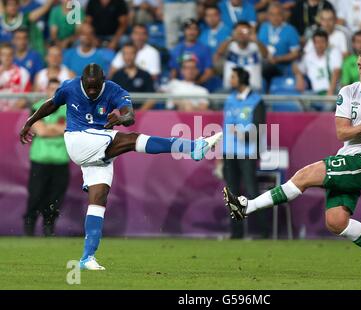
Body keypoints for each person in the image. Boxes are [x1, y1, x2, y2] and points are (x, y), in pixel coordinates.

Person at [223, 50, 361, 277]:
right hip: (348, 156)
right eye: (359, 66)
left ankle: (248, 207)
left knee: (304, 176)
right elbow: (341, 133)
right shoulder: (348, 92)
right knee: (336, 222)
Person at [19, 63, 222, 270]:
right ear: (81, 81)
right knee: (132, 140)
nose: (91, 91)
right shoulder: (69, 87)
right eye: (88, 86)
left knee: (98, 199)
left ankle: (87, 258)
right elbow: (52, 104)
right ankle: (194, 147)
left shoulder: (115, 90)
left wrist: (121, 117)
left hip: (98, 150)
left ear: (103, 80)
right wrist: (29, 121)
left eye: (95, 86)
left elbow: (129, 115)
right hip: (78, 140)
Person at [222, 67, 267, 239]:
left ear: (241, 79)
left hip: (248, 153)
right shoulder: (229, 100)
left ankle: (263, 231)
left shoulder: (256, 101)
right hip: (229, 153)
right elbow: (225, 127)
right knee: (232, 194)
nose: (230, 80)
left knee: (252, 191)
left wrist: (243, 134)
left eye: (233, 77)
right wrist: (221, 155)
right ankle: (237, 233)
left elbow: (259, 127)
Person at [23, 78, 69, 237]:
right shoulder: (37, 108)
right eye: (52, 89)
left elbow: (67, 129)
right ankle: (29, 228)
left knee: (55, 199)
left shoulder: (69, 109)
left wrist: (50, 128)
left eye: (58, 90)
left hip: (61, 161)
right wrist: (58, 129)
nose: (55, 93)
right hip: (40, 160)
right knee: (35, 195)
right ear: (46, 90)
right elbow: (40, 131)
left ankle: (49, 228)